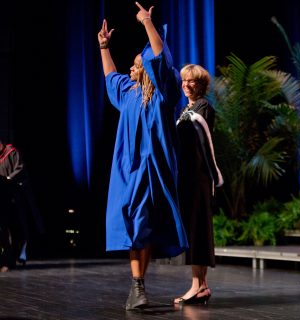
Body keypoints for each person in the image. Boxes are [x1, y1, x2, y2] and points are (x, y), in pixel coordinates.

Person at [98, 2, 188, 310]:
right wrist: (104, 47)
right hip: (129, 169)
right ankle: (137, 286)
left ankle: (138, 286)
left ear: (148, 68)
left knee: (146, 223)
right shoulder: (128, 92)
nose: (132, 68)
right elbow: (111, 77)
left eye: (137, 64)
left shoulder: (164, 92)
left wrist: (148, 23)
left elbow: (160, 56)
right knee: (133, 223)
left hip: (156, 168)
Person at [174, 64, 223, 305]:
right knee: (195, 231)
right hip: (188, 179)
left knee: (198, 231)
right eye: (184, 80)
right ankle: (201, 285)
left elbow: (202, 143)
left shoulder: (203, 108)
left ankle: (197, 286)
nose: (186, 84)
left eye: (191, 81)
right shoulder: (187, 108)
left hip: (198, 179)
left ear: (201, 85)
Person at [0, 140, 44, 272]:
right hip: (3, 197)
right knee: (4, 228)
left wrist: (8, 178)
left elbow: (20, 168)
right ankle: (8, 259)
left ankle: (17, 257)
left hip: (16, 194)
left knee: (19, 226)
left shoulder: (12, 152)